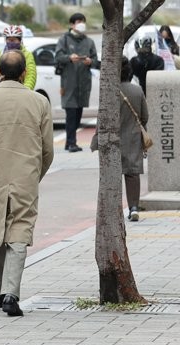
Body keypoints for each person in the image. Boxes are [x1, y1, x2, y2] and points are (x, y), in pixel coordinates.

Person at [0, 51, 54, 317]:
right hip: (25, 176)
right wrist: (34, 174)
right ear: (25, 73)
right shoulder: (39, 102)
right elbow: (48, 149)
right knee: (19, 232)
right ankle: (10, 292)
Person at [93, 59, 148, 222]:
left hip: (113, 139)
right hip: (132, 139)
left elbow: (101, 118)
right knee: (132, 174)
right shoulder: (137, 91)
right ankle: (134, 207)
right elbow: (145, 116)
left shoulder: (109, 92)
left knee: (113, 175)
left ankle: (113, 210)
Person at [55, 13, 99, 153]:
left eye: (83, 21)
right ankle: (72, 142)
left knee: (78, 112)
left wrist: (90, 61)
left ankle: (69, 142)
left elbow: (96, 60)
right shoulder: (64, 39)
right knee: (71, 113)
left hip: (84, 82)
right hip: (69, 82)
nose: (81, 24)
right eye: (79, 21)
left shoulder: (89, 41)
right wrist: (69, 57)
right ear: (72, 24)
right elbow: (58, 56)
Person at [0, 25, 36, 90]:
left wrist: (26, 91)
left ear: (20, 41)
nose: (11, 42)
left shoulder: (27, 55)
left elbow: (31, 76)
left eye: (14, 40)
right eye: (9, 40)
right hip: (1, 91)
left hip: (20, 91)